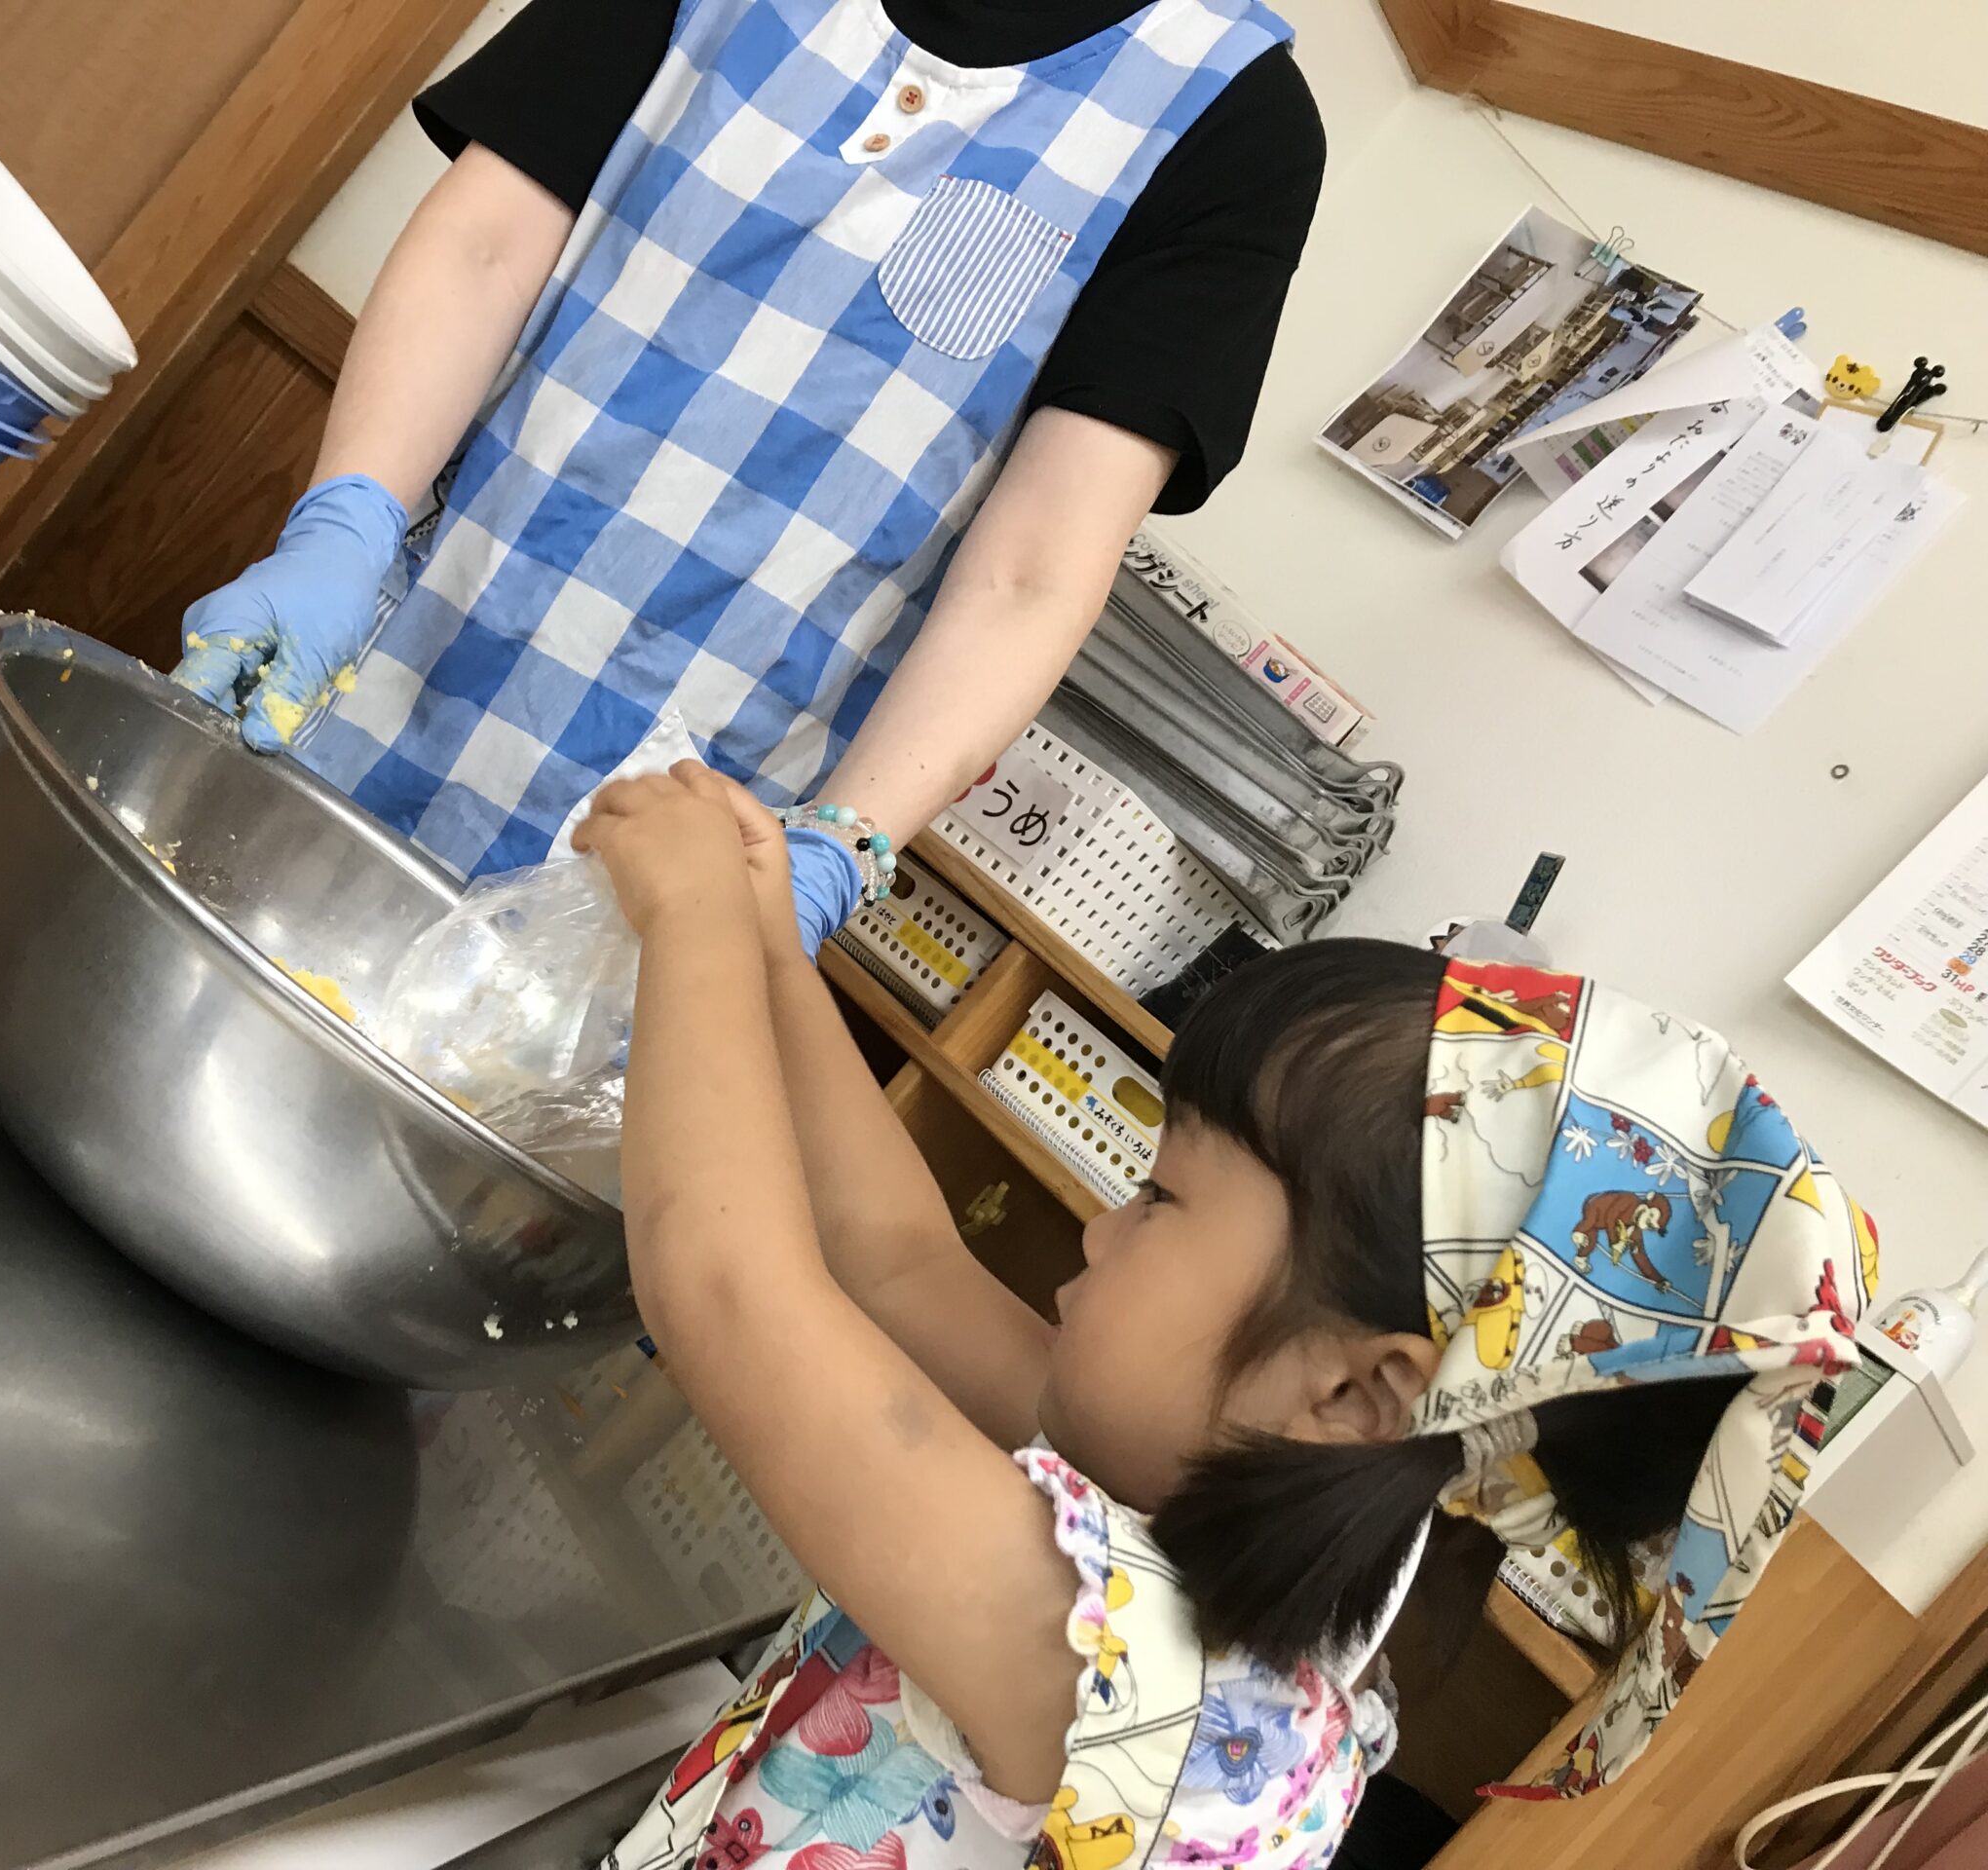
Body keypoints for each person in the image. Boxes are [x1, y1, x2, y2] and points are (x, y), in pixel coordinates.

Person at [560, 764, 1879, 1868]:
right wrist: (768, 945)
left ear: (1354, 1392)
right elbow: (899, 1261)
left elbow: (725, 1290)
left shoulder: (1146, 1689)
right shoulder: (1182, 1521)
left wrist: (690, 918)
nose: (1099, 1228)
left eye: (1160, 1199)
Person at [176, 0, 1326, 953]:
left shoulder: (1232, 124)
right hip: (380, 655)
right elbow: (486, 242)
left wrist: (842, 846)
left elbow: (1033, 568)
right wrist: (343, 524)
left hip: (694, 839)